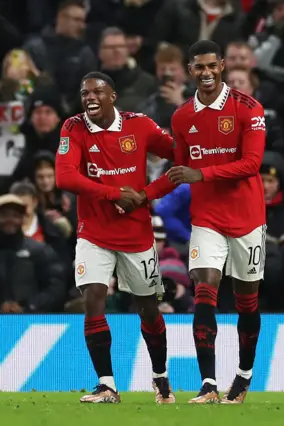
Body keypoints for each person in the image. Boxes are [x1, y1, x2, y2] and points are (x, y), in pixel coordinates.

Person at [142, 40, 267, 404]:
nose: (207, 73)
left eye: (212, 66)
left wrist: (202, 174)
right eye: (199, 67)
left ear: (223, 66)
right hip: (207, 220)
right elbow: (180, 172)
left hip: (247, 218)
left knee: (247, 303)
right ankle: (208, 384)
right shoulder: (182, 117)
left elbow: (251, 164)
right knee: (204, 293)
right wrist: (143, 195)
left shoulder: (249, 108)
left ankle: (242, 377)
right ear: (190, 70)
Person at [55, 71, 176, 404]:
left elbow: (180, 156)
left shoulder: (139, 125)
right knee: (93, 297)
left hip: (136, 234)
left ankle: (160, 376)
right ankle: (107, 385)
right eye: (84, 93)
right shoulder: (73, 127)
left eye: (97, 91)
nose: (90, 97)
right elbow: (64, 176)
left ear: (113, 96)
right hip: (93, 232)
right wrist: (113, 194)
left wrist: (146, 194)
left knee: (148, 308)